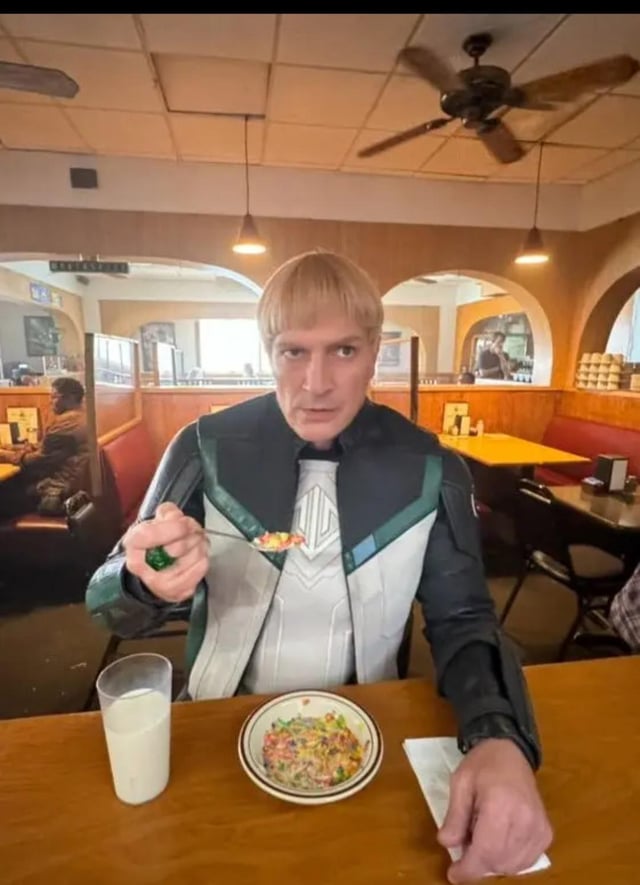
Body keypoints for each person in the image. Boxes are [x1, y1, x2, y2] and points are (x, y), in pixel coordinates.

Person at [86, 250, 552, 882]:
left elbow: (465, 619)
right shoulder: (202, 449)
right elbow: (107, 603)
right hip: (214, 727)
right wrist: (145, 578)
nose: (316, 383)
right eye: (292, 352)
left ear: (375, 352)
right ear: (266, 353)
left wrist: (499, 736)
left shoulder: (433, 468)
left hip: (371, 733)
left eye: (343, 351)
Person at [0, 376, 89, 517]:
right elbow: (46, 448)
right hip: (70, 487)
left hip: (56, 492)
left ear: (70, 398)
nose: (50, 401)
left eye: (54, 397)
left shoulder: (67, 424)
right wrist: (10, 448)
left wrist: (4, 456)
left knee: (5, 494)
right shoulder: (80, 417)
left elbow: (39, 461)